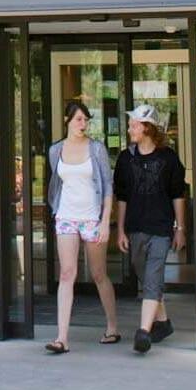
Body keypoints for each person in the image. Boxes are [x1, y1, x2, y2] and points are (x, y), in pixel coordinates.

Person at [45, 98, 118, 353]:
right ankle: (62, 338)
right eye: (78, 119)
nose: (83, 124)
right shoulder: (56, 151)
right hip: (65, 215)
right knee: (67, 274)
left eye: (86, 120)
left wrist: (105, 222)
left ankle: (112, 326)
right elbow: (58, 182)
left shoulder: (96, 149)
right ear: (67, 121)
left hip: (92, 217)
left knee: (98, 273)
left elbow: (108, 187)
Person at [114, 102, 188, 353]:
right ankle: (163, 322)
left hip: (161, 227)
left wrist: (180, 227)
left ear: (146, 128)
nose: (129, 129)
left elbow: (178, 193)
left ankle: (143, 331)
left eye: (133, 125)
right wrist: (120, 229)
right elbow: (121, 196)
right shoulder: (125, 159)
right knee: (145, 275)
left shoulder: (168, 158)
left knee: (153, 274)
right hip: (135, 226)